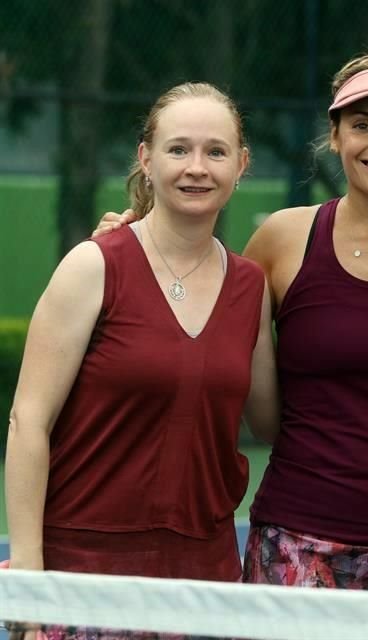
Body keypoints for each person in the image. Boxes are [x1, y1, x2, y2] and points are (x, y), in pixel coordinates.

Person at [93, 53, 368, 591]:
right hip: (294, 544)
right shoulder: (282, 241)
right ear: (335, 136)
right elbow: (190, 315)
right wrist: (130, 246)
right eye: (362, 125)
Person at [5, 80, 278, 592]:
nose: (197, 167)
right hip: (83, 573)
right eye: (178, 149)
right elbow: (28, 423)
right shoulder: (93, 265)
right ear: (146, 160)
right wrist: (28, 572)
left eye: (215, 152)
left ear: (240, 166)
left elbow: (271, 423)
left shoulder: (250, 286)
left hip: (205, 577)